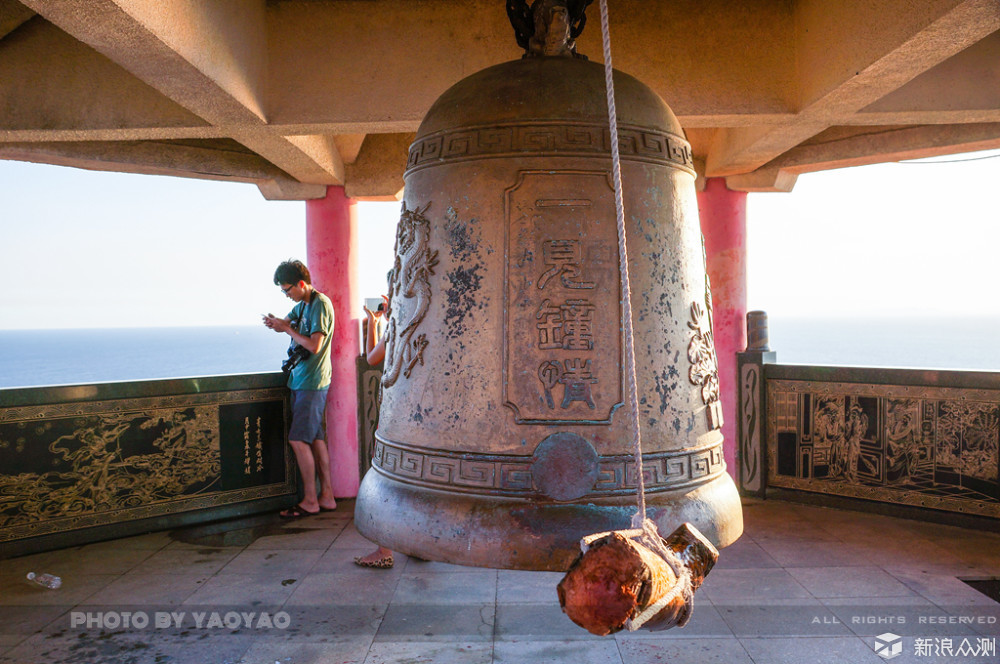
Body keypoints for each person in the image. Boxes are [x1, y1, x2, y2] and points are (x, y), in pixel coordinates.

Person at [263, 259, 338, 517]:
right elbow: (286, 324)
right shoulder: (302, 306)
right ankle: (326, 496)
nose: (287, 295)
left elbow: (315, 345)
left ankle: (309, 500)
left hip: (312, 383)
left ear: (301, 284)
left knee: (297, 440)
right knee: (316, 439)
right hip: (302, 380)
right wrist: (277, 324)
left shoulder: (320, 305)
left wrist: (287, 329)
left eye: (287, 290)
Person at [354, 293, 396, 569]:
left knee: (385, 477)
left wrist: (374, 322)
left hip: (394, 412)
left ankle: (384, 550)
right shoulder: (423, 322)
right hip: (422, 409)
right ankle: (422, 545)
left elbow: (372, 359)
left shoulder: (397, 325)